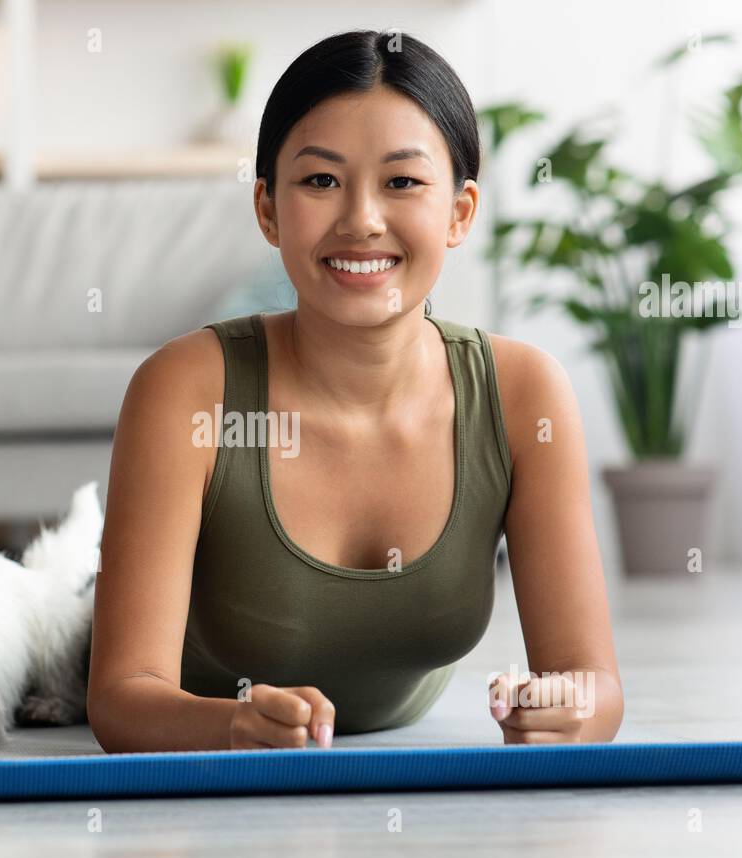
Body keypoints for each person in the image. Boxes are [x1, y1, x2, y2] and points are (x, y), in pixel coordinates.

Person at [88, 30, 623, 751]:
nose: (362, 219)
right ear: (268, 209)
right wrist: (237, 724)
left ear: (460, 212)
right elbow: (122, 701)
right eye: (320, 181)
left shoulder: (527, 394)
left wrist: (563, 710)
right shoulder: (185, 390)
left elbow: (594, 685)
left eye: (402, 182)